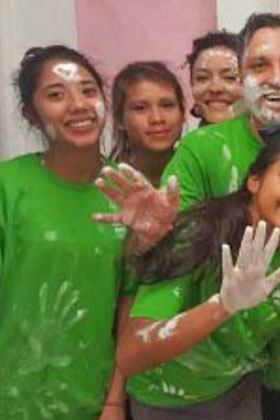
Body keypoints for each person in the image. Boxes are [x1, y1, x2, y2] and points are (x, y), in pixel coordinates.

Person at [105, 123, 280, 419]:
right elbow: (130, 356)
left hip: (238, 392)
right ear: (255, 181)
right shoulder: (198, 233)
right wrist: (222, 306)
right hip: (165, 398)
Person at [0, 45, 134, 420]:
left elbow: (130, 309)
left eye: (88, 91)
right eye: (56, 95)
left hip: (93, 402)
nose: (78, 105)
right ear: (30, 114)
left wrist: (114, 401)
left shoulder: (128, 192)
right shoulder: (8, 186)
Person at [110, 61, 186, 185]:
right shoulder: (105, 182)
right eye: (140, 108)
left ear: (182, 113)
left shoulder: (201, 173)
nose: (157, 118)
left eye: (167, 105)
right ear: (120, 119)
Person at [185, 31, 244, 126]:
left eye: (230, 77)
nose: (215, 88)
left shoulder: (267, 135)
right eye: (203, 78)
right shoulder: (188, 136)